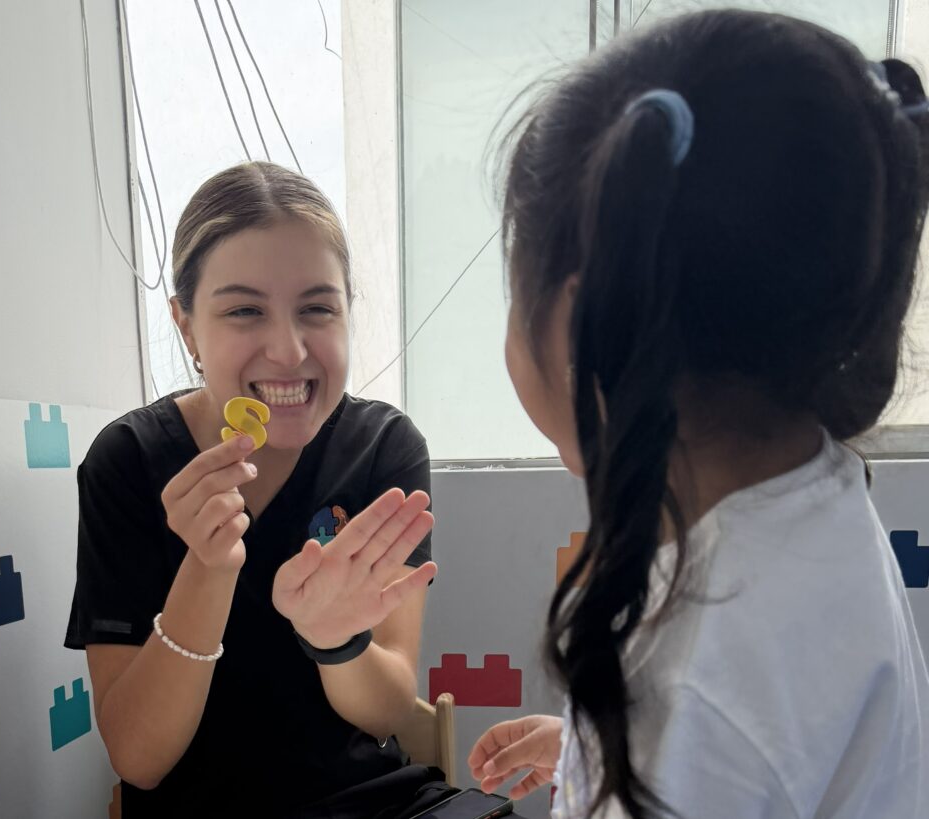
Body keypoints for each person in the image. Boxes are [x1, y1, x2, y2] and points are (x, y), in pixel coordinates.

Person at [468, 11, 929, 818]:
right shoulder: (813, 498)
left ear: (582, 326)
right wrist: (590, 755)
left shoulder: (691, 694)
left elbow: (719, 726)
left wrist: (647, 758)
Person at [65, 162, 447, 817]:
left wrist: (336, 640)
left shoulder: (384, 447)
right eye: (245, 310)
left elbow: (386, 713)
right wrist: (207, 568)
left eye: (317, 308)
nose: (290, 350)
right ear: (186, 325)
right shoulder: (128, 462)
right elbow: (139, 758)